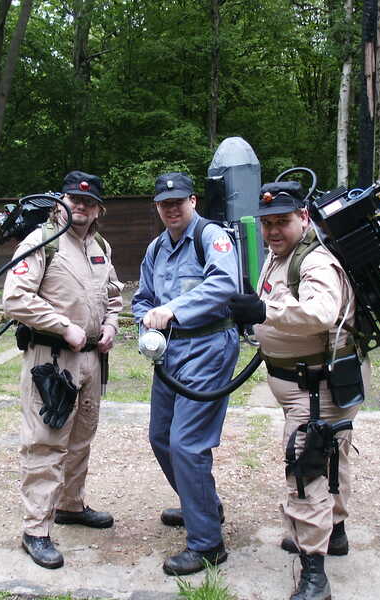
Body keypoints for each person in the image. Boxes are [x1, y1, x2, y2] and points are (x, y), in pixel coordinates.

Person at [228, 182, 376, 600]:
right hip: (304, 385)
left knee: (306, 467)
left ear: (304, 218)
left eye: (283, 221)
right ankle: (335, 532)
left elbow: (322, 312)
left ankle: (314, 574)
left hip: (318, 387)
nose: (273, 230)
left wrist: (264, 311)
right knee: (331, 456)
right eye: (267, 223)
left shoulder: (316, 262)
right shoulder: (281, 256)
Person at [2, 170, 123, 569]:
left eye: (89, 202)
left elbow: (114, 295)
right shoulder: (42, 242)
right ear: (61, 202)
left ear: (99, 209)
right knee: (46, 441)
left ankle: (71, 505)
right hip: (51, 360)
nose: (81, 206)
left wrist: (110, 326)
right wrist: (63, 326)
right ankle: (35, 529)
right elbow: (15, 298)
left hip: (91, 360)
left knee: (81, 436)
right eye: (75, 199)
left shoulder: (100, 245)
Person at [131, 172, 240, 576]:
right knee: (160, 436)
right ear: (157, 207)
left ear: (193, 201)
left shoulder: (211, 237)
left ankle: (208, 544)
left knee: (187, 443)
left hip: (208, 347)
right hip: (169, 352)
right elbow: (142, 298)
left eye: (178, 201)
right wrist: (145, 326)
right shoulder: (157, 248)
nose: (172, 208)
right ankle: (202, 506)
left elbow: (225, 284)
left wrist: (172, 310)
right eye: (164, 203)